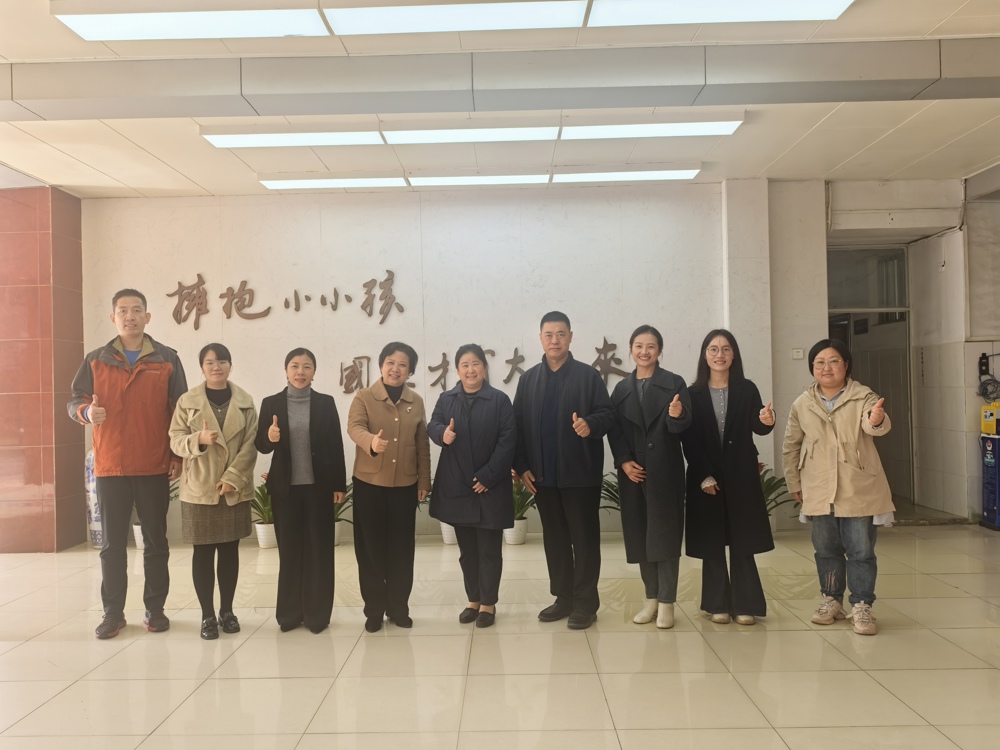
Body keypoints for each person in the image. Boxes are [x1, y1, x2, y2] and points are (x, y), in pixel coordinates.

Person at [68, 289, 188, 639]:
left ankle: (156, 610)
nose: (130, 316)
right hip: (111, 466)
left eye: (137, 310)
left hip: (154, 464)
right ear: (113, 318)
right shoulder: (95, 360)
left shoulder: (167, 359)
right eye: (123, 310)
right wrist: (87, 412)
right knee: (112, 545)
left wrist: (177, 456)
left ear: (147, 317)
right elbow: (75, 400)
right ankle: (113, 613)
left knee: (156, 542)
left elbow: (180, 411)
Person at [782, 338, 894, 636]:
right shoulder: (802, 403)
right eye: (819, 362)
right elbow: (791, 446)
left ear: (846, 365)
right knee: (826, 549)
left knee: (861, 550)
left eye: (833, 361)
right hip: (818, 486)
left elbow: (874, 425)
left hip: (858, 486)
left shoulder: (863, 396)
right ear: (812, 368)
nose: (826, 368)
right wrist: (794, 481)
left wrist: (877, 419)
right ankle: (831, 600)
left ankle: (862, 606)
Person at [513, 311, 615, 630]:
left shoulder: (588, 376)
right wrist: (522, 466)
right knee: (555, 540)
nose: (554, 340)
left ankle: (585, 604)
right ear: (540, 338)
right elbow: (516, 427)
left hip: (580, 475)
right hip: (543, 478)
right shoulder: (528, 380)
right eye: (549, 334)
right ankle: (564, 598)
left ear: (570, 337)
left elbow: (608, 415)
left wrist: (590, 424)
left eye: (560, 334)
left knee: (584, 541)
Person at [682, 329, 775, 626]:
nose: (719, 355)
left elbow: (758, 426)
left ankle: (746, 604)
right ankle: (716, 603)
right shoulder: (692, 393)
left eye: (726, 349)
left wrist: (767, 420)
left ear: (734, 354)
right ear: (704, 355)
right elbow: (688, 438)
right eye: (713, 349)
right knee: (712, 541)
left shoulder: (747, 389)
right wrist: (703, 475)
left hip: (740, 473)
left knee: (742, 539)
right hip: (706, 474)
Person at [169, 344, 258, 640]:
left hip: (233, 489)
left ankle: (227, 612)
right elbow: (175, 439)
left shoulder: (245, 402)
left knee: (230, 551)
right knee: (203, 552)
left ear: (230, 365)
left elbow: (251, 445)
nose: (216, 366)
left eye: (222, 361)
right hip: (200, 488)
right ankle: (207, 615)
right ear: (202, 368)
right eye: (209, 362)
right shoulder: (187, 401)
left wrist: (233, 478)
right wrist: (198, 440)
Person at [255, 347, 346, 634]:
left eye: (307, 366)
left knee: (320, 552)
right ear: (286, 370)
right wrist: (269, 436)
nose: (300, 372)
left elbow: (335, 444)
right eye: (294, 366)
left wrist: (339, 485)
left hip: (319, 487)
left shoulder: (325, 403)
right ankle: (290, 614)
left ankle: (317, 615)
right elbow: (261, 445)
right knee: (290, 552)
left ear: (314, 372)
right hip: (286, 490)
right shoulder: (271, 403)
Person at [427, 344, 516, 629]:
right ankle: (473, 600)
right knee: (467, 551)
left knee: (489, 549)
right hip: (458, 486)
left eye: (476, 363)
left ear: (485, 368)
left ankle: (488, 604)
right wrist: (442, 434)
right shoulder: (446, 398)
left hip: (490, 487)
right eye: (465, 365)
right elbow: (433, 424)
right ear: (457, 370)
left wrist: (488, 476)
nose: (470, 370)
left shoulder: (499, 400)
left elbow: (508, 440)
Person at [609, 325, 691, 629]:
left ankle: (667, 603)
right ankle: (651, 599)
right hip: (634, 475)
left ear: (660, 350)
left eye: (651, 346)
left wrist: (677, 415)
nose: (644, 352)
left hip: (665, 471)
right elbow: (615, 431)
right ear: (631, 349)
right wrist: (624, 461)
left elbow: (684, 427)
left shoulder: (674, 383)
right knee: (642, 536)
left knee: (665, 538)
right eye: (639, 346)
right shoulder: (621, 389)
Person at [347, 342, 431, 633]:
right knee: (370, 551)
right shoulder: (363, 396)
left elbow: (422, 443)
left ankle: (398, 608)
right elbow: (354, 427)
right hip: (369, 484)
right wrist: (371, 441)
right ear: (381, 365)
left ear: (410, 371)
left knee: (401, 550)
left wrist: (424, 480)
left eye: (403, 364)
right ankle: (373, 610)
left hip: (405, 485)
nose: (396, 369)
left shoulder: (416, 401)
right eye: (390, 363)